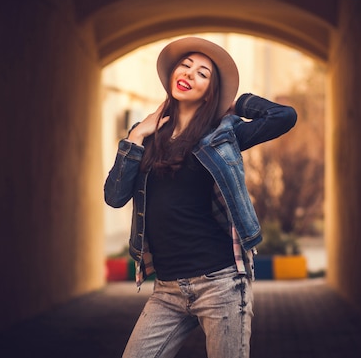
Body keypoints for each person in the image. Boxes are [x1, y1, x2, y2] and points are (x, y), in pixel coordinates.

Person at [104, 37, 297, 358]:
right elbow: (114, 196)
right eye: (185, 65)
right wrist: (135, 137)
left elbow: (283, 116)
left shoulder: (223, 135)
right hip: (166, 289)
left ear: (210, 91)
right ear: (171, 74)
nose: (190, 74)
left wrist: (236, 103)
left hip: (220, 283)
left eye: (203, 74)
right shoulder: (147, 135)